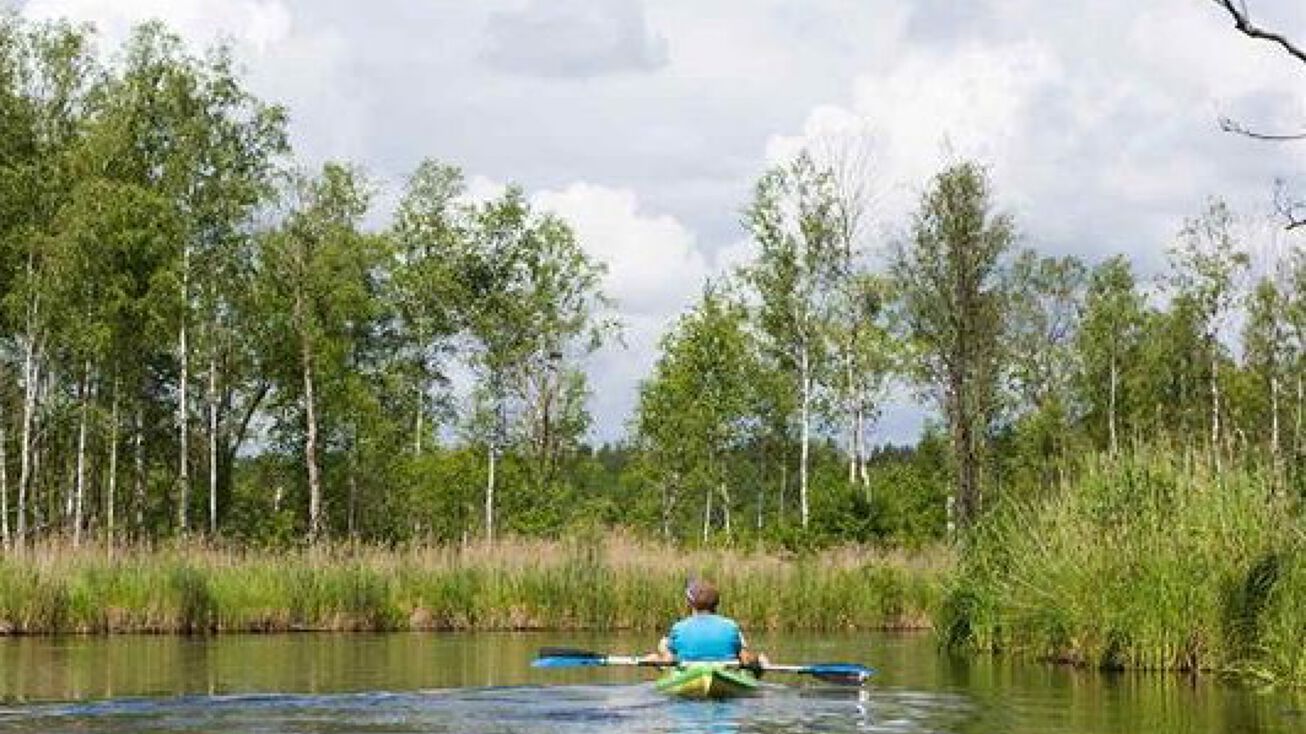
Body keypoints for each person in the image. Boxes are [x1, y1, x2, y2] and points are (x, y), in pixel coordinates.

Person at [647, 579, 768, 669]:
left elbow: (668, 661)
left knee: (663, 646)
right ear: (716, 604)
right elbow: (746, 659)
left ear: (690, 604)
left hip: (689, 669)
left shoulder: (678, 627)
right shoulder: (731, 626)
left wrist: (655, 660)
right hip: (725, 669)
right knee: (760, 660)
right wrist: (759, 661)